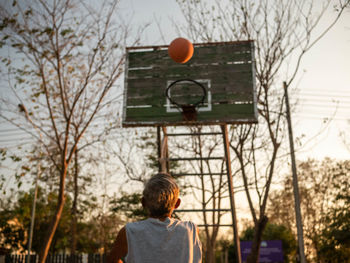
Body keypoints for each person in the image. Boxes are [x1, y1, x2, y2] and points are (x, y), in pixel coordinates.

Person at [107, 173, 202, 263]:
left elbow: (111, 260)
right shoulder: (190, 230)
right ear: (177, 204)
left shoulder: (129, 232)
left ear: (143, 202)